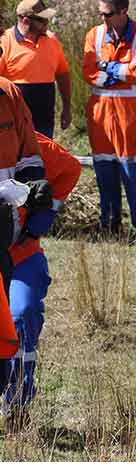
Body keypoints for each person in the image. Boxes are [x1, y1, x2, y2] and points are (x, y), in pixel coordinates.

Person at [4, 131, 79, 431]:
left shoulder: (24, 141)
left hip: (21, 254)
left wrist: (42, 217)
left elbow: (70, 168)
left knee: (24, 313)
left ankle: (17, 404)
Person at [82, 0, 136, 243]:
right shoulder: (94, 34)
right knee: (104, 170)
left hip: (129, 116)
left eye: (108, 14)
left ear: (123, 11)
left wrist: (106, 68)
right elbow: (88, 71)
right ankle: (110, 225)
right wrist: (119, 72)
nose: (102, 18)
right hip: (99, 115)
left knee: (133, 171)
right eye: (100, 13)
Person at [0, 74, 47, 431]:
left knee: (24, 313)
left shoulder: (10, 92)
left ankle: (17, 401)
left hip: (17, 240)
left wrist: (43, 201)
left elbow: (31, 157)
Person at [0, 0, 71, 138]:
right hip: (13, 124)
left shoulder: (52, 40)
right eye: (42, 20)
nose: (47, 23)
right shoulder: (4, 42)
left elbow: (62, 75)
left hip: (44, 123)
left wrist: (67, 108)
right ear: (26, 20)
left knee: (43, 158)